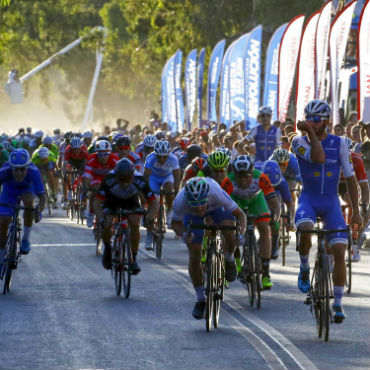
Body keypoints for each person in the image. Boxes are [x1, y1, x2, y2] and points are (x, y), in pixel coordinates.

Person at [291, 99, 361, 324]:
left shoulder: (340, 143)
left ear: (327, 121)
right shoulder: (298, 141)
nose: (311, 123)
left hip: (331, 203)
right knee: (306, 229)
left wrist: (357, 211)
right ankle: (304, 266)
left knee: (340, 251)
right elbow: (318, 157)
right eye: (308, 119)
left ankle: (338, 303)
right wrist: (310, 131)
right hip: (309, 201)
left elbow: (350, 179)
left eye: (316, 120)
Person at [171, 177, 247, 319]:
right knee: (195, 253)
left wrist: (240, 234)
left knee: (230, 230)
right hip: (192, 217)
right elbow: (175, 223)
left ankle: (229, 258)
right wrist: (182, 234)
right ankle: (200, 299)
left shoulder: (215, 191)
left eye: (201, 203)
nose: (199, 208)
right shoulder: (181, 200)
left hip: (216, 209)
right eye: (195, 204)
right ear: (188, 200)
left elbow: (240, 215)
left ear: (207, 197)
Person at [221, 155, 280, 287]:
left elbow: (274, 202)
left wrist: (274, 219)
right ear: (234, 174)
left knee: (265, 229)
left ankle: (265, 273)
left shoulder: (260, 177)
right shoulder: (228, 181)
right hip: (236, 202)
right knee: (230, 230)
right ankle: (233, 261)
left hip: (256, 201)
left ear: (252, 173)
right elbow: (221, 206)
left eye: (247, 176)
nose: (243, 180)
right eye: (240, 176)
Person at [93, 158, 159, 273]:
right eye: (121, 181)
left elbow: (154, 203)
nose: (124, 184)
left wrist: (149, 217)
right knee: (107, 222)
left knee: (134, 223)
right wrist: (101, 218)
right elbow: (97, 202)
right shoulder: (109, 178)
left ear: (133, 176)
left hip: (131, 201)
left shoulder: (140, 179)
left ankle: (133, 259)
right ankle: (108, 248)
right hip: (112, 200)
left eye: (127, 181)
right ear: (116, 176)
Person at [0, 149, 45, 265]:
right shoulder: (4, 170)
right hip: (9, 191)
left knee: (29, 203)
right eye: (16, 169)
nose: (19, 173)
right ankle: (1, 253)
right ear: (11, 167)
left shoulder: (34, 171)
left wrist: (38, 211)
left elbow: (42, 197)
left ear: (27, 167)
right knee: (3, 222)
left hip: (27, 190)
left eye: (22, 169)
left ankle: (25, 239)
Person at [143, 139, 181, 227]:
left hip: (167, 176)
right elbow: (146, 176)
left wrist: (175, 192)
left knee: (168, 190)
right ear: (155, 154)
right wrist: (148, 193)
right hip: (154, 178)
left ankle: (169, 210)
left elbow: (177, 177)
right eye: (159, 156)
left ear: (169, 154)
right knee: (153, 198)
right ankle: (150, 219)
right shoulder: (150, 157)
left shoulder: (173, 158)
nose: (162, 159)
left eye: (165, 157)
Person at [83, 140, 119, 228]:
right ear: (96, 153)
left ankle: (116, 216)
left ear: (109, 152)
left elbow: (120, 175)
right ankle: (91, 213)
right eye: (100, 154)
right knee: (95, 191)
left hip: (110, 179)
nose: (103, 157)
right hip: (96, 178)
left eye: (105, 154)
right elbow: (86, 176)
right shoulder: (92, 158)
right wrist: (86, 188)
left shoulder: (114, 159)